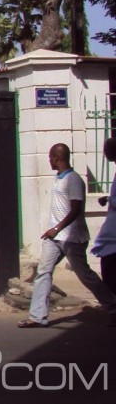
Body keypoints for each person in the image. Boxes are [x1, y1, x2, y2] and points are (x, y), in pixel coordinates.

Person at [19, 142, 116, 328]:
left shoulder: (74, 180)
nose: (49, 161)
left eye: (50, 157)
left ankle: (113, 306)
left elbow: (76, 209)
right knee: (43, 272)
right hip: (54, 238)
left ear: (56, 158)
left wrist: (57, 228)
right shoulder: (59, 178)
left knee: (85, 275)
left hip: (73, 237)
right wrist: (54, 231)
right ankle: (37, 316)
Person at [90, 136, 116, 326]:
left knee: (110, 273)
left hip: (113, 235)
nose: (105, 154)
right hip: (111, 234)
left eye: (107, 150)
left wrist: (109, 200)